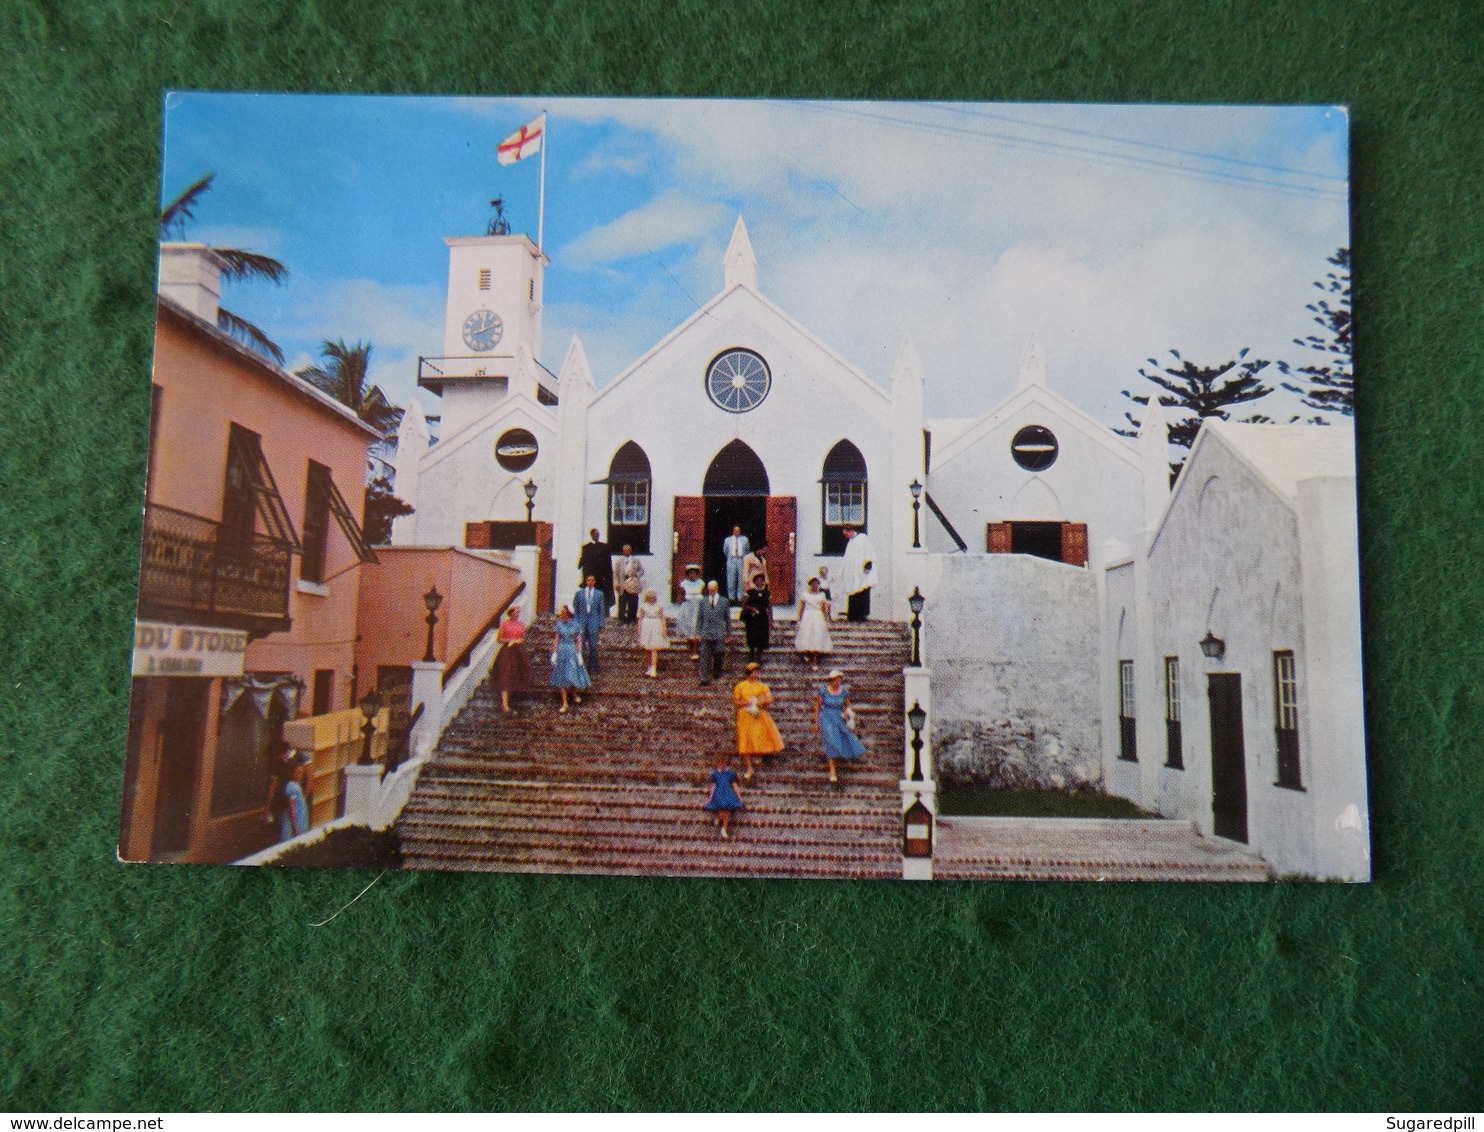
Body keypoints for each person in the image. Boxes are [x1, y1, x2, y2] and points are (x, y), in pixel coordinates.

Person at [733, 661, 785, 780]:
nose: (755, 674)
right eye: (753, 672)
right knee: (744, 739)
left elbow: (770, 698)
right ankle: (749, 767)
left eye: (757, 672)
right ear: (748, 673)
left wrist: (760, 701)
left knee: (762, 734)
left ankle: (764, 754)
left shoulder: (762, 686)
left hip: (757, 713)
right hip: (745, 714)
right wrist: (748, 702)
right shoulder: (740, 686)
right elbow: (736, 702)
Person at [816, 669, 867, 784]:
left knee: (841, 739)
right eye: (835, 680)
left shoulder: (843, 692)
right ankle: (832, 770)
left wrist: (846, 714)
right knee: (830, 741)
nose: (837, 682)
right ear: (831, 680)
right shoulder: (823, 691)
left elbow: (848, 706)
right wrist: (816, 722)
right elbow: (818, 707)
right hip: (826, 718)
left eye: (839, 679)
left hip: (838, 718)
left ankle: (836, 761)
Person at [490, 605, 536, 714]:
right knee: (506, 674)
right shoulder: (504, 624)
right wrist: (509, 640)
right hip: (507, 651)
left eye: (518, 612)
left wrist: (518, 640)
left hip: (518, 652)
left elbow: (522, 637)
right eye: (515, 612)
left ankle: (510, 701)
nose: (517, 614)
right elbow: (499, 639)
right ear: (511, 612)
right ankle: (504, 704)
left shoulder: (521, 625)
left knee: (516, 674)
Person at [548, 605, 590, 713]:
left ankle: (574, 694)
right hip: (562, 650)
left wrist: (579, 653)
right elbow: (556, 639)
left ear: (568, 613)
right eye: (560, 613)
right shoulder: (559, 625)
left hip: (571, 650)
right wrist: (554, 653)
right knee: (562, 675)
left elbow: (579, 640)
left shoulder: (575, 625)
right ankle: (564, 702)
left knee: (573, 672)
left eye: (563, 613)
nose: (561, 615)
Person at [266, 743, 310, 841]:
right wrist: (296, 828)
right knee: (288, 831)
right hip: (291, 807)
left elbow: (309, 776)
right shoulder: (292, 786)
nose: (300, 774)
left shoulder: (299, 757)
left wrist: (305, 796)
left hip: (297, 802)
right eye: (298, 772)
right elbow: (292, 809)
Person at [793, 575, 834, 669]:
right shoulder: (805, 595)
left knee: (817, 635)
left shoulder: (822, 595)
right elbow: (802, 607)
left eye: (816, 584)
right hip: (807, 616)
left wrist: (826, 618)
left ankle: (815, 660)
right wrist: (799, 619)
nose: (815, 585)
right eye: (813, 584)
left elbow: (824, 608)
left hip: (817, 616)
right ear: (810, 585)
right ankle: (807, 653)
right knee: (807, 634)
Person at [695, 580, 730, 686]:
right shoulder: (703, 601)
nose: (711, 591)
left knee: (719, 652)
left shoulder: (724, 601)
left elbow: (727, 618)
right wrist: (697, 632)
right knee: (704, 655)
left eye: (713, 589)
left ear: (717, 588)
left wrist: (729, 633)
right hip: (706, 632)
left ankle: (717, 670)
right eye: (709, 589)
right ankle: (704, 678)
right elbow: (699, 618)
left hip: (719, 632)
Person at [703, 752, 743, 840]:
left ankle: (724, 828)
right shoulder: (714, 773)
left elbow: (734, 785)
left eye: (723, 763)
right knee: (721, 811)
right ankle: (719, 818)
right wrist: (710, 798)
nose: (722, 765)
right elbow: (713, 786)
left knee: (727, 811)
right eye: (720, 764)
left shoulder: (731, 772)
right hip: (719, 793)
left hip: (728, 793)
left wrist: (739, 796)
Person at [839, 526, 876, 621]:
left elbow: (869, 552)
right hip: (853, 572)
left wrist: (868, 565)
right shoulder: (850, 542)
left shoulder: (862, 538)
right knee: (852, 590)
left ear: (850, 531)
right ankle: (853, 614)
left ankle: (862, 615)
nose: (846, 536)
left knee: (862, 590)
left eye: (846, 533)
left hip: (862, 571)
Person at [572, 574, 607, 674]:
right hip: (582, 622)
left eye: (592, 580)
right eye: (588, 581)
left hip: (593, 622)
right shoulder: (579, 593)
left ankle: (593, 666)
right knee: (581, 645)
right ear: (586, 582)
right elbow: (576, 608)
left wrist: (600, 623)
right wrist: (576, 622)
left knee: (593, 645)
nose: (590, 582)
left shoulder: (599, 594)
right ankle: (581, 666)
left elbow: (601, 610)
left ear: (594, 581)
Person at [577, 528, 615, 612]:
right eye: (595, 534)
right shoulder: (586, 547)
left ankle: (604, 614)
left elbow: (608, 562)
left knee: (603, 597)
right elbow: (582, 563)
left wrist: (609, 575)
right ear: (591, 535)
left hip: (602, 577)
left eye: (598, 534)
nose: (596, 536)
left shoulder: (605, 547)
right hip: (591, 577)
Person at [635, 589, 670, 677]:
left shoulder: (659, 606)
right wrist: (639, 629)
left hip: (656, 624)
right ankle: (649, 667)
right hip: (646, 624)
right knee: (647, 648)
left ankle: (654, 668)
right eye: (649, 597)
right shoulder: (643, 606)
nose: (651, 599)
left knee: (654, 648)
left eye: (653, 597)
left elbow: (662, 617)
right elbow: (640, 618)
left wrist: (664, 629)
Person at [740, 572, 772, 666]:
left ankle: (759, 657)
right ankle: (751, 655)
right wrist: (752, 609)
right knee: (752, 635)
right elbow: (744, 604)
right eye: (758, 580)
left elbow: (769, 606)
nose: (760, 582)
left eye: (761, 580)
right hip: (752, 618)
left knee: (762, 636)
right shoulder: (750, 592)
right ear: (755, 582)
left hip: (762, 617)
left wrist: (771, 618)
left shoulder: (767, 593)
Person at [675, 563, 704, 659]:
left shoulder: (701, 583)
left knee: (696, 626)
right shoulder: (683, 584)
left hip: (697, 606)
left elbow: (703, 596)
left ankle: (695, 649)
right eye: (691, 573)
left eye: (694, 573)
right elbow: (681, 597)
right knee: (688, 626)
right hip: (688, 607)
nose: (693, 575)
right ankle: (690, 646)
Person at [613, 544, 644, 623]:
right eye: (625, 550)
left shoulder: (636, 560)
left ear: (631, 551)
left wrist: (636, 574)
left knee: (633, 601)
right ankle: (621, 619)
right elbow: (615, 573)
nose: (626, 552)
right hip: (622, 582)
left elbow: (641, 570)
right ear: (623, 551)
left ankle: (632, 618)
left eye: (628, 550)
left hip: (632, 582)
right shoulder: (619, 561)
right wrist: (616, 583)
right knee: (622, 601)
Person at [723, 525, 750, 603]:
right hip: (731, 559)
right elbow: (725, 550)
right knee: (731, 578)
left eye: (738, 530)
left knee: (741, 578)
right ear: (733, 531)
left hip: (741, 559)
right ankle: (731, 597)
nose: (737, 532)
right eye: (736, 530)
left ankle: (740, 597)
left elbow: (747, 549)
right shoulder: (728, 540)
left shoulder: (745, 539)